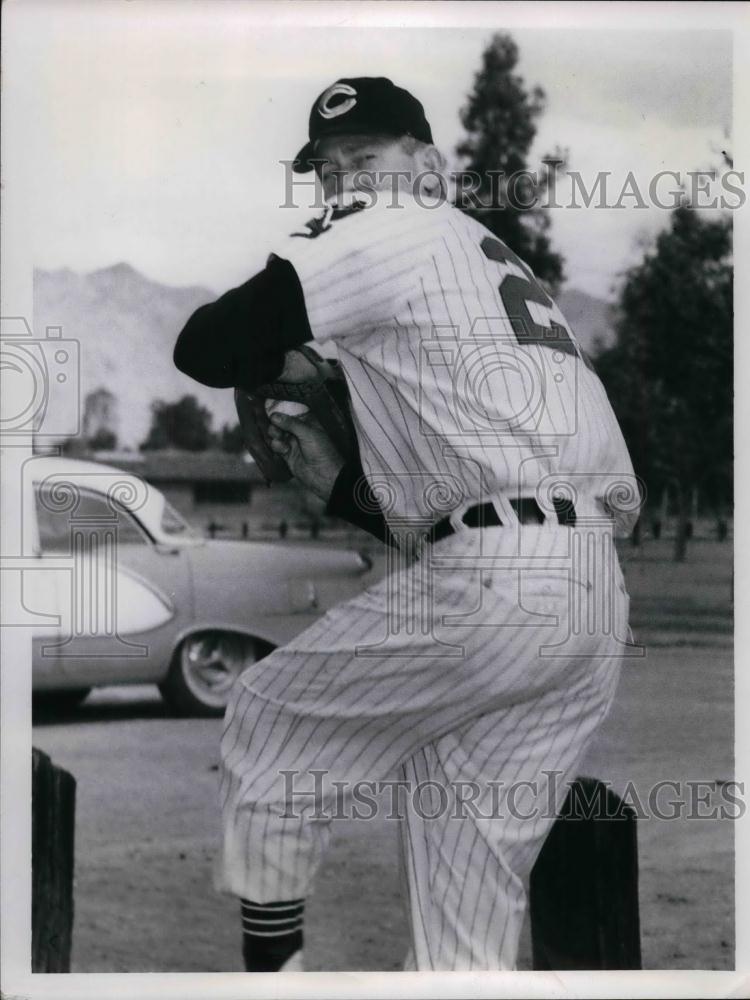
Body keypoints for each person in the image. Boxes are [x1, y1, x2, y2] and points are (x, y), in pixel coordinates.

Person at [174, 76, 638, 972]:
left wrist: (295, 360)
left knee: (268, 717)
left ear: (427, 167)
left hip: (503, 582)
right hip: (585, 598)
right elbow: (481, 493)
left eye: (367, 159)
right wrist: (349, 488)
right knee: (464, 906)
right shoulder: (491, 261)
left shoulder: (398, 225)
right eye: (329, 169)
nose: (346, 182)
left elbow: (207, 342)